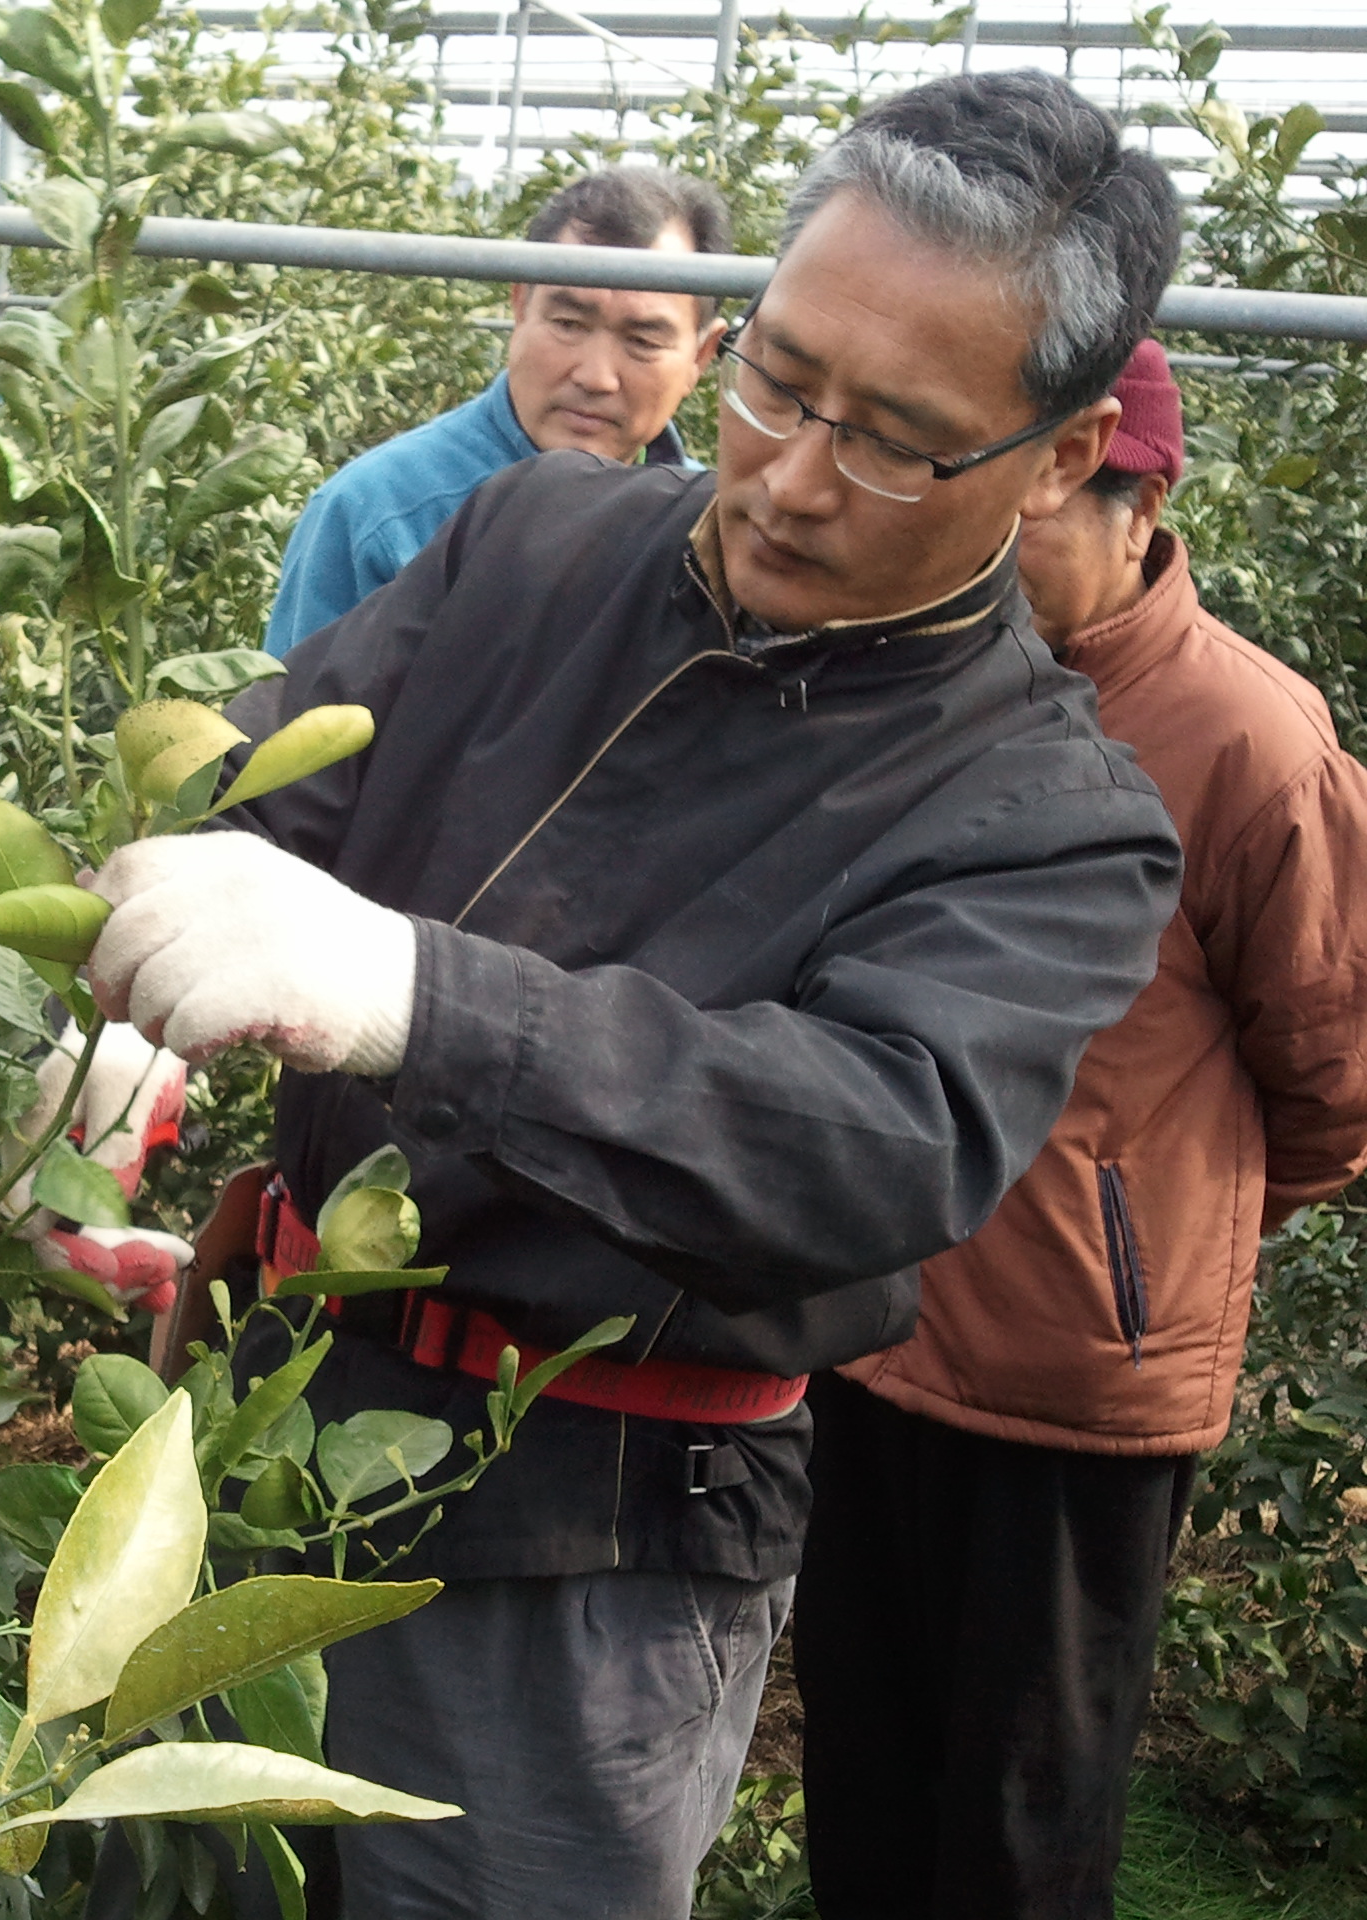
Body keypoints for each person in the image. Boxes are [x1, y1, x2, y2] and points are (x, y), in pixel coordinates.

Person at [74, 72, 1187, 1920]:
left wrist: (411, 996)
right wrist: (123, 993)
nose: (795, 473)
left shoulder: (1049, 820)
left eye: (897, 443)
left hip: (586, 1552)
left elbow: (871, 1140)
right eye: (778, 382)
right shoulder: (533, 546)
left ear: (1062, 456)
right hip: (266, 1434)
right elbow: (276, 785)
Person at [795, 342, 1367, 1920]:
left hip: (1069, 1380)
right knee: (866, 1764)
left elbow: (1330, 1074)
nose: (985, 555)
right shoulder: (923, 687)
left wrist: (1141, 1238)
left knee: (1022, 1815)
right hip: (879, 1323)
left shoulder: (1248, 740)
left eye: (1027, 518)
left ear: (1134, 498)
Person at [262, 166, 735, 658]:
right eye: (569, 323)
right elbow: (293, 726)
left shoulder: (714, 537)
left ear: (701, 357)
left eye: (641, 341)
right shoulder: (380, 514)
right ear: (519, 306)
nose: (596, 377)